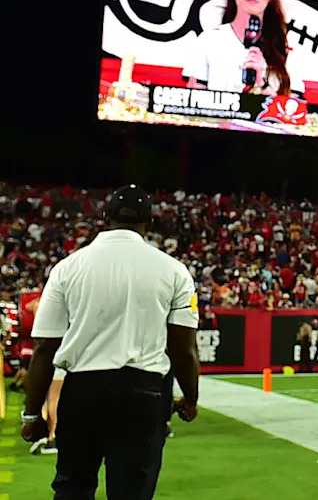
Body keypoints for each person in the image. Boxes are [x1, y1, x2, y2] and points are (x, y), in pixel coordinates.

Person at [20, 184, 200, 499]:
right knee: (131, 491)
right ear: (151, 223)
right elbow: (183, 349)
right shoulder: (175, 271)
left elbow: (45, 347)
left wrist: (33, 414)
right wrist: (190, 398)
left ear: (105, 217)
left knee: (73, 487)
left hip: (82, 390)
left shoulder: (67, 269)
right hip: (143, 393)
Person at [182, 0, 305, 97]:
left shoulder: (284, 46)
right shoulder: (209, 40)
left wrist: (265, 89)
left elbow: (294, 105)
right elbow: (194, 97)